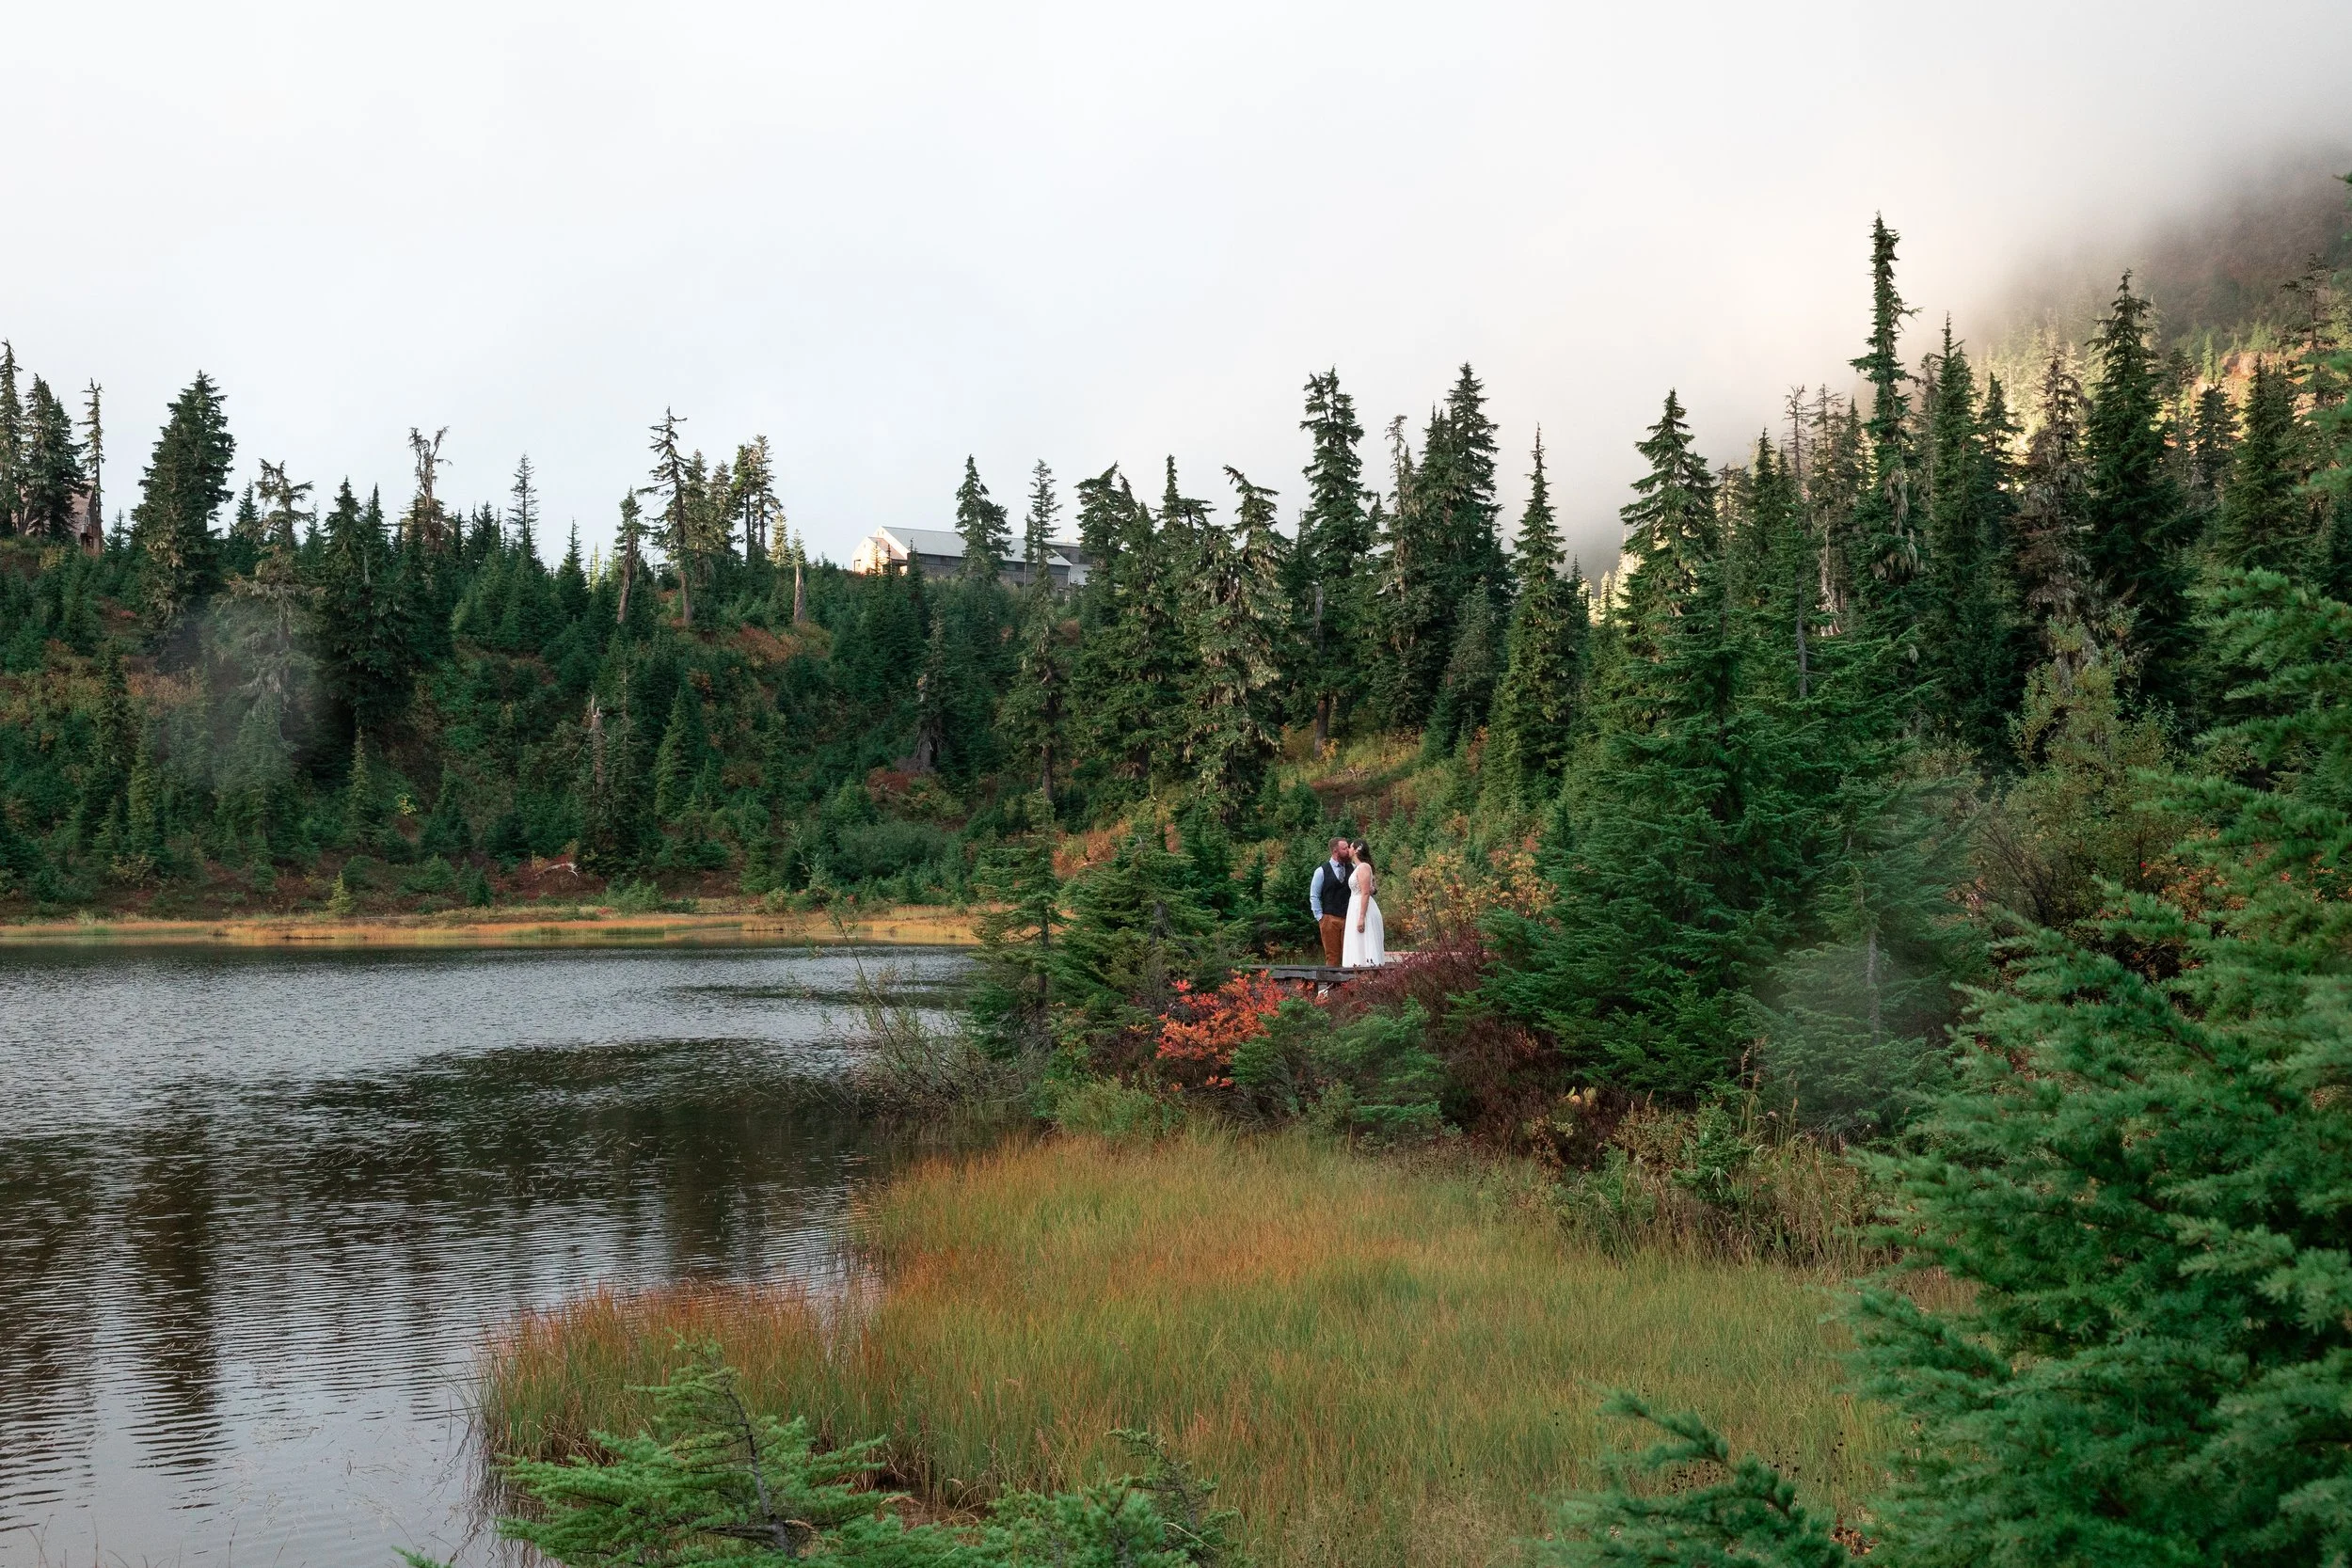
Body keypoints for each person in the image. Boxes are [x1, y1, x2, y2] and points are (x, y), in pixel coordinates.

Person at [1309, 837, 1354, 968]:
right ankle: (1332, 987)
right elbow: (1314, 896)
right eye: (1344, 848)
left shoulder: (1353, 868)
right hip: (1329, 918)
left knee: (1350, 955)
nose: (1348, 851)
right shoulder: (1321, 871)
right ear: (1335, 851)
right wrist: (1320, 918)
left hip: (1349, 918)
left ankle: (1349, 987)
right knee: (1332, 956)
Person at [1342, 841, 1386, 969]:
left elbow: (1365, 893)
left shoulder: (1364, 867)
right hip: (1354, 906)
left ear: (1356, 850)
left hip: (1362, 908)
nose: (1348, 849)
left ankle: (1369, 974)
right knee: (1357, 942)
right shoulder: (1358, 868)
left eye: (1350, 847)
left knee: (1365, 940)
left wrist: (1361, 917)